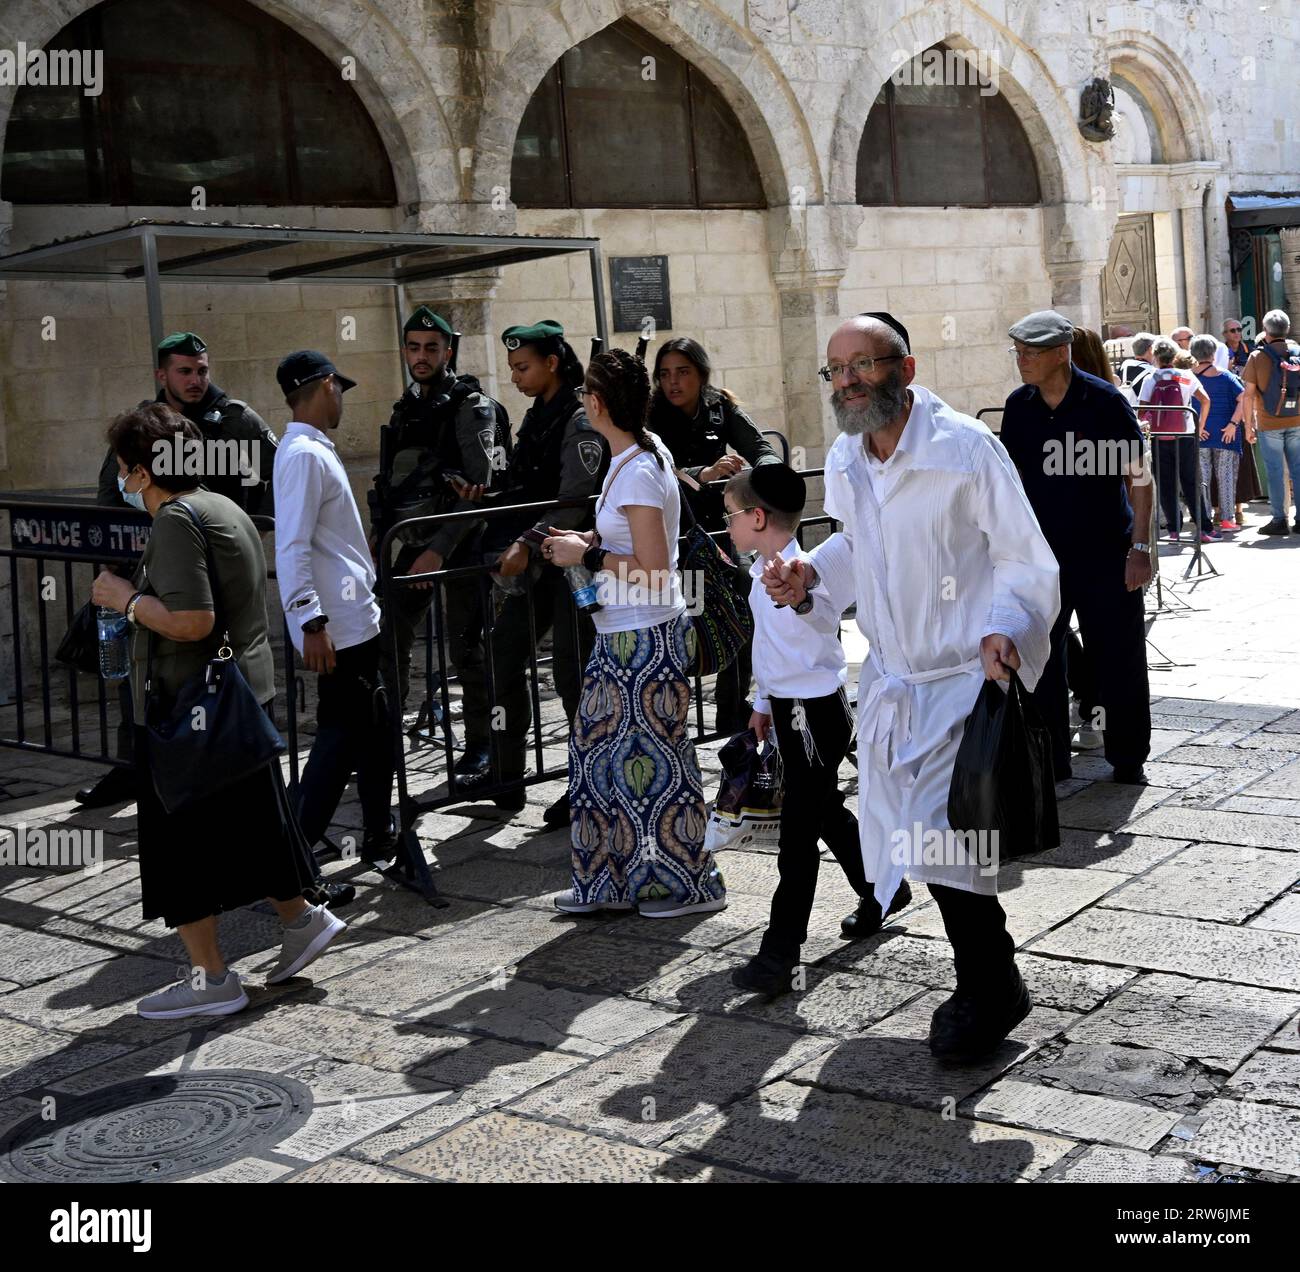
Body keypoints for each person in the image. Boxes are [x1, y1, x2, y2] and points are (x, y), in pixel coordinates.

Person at [763, 312, 1059, 1062]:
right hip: (896, 682)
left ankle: (988, 986)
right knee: (926, 845)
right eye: (837, 369)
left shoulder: (966, 450)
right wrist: (808, 577)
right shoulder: (846, 457)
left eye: (864, 363)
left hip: (963, 680)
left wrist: (1005, 626)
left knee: (948, 839)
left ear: (907, 368)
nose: (849, 380)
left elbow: (1023, 559)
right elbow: (858, 550)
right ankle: (991, 979)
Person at [90, 404, 345, 1020]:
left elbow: (193, 621)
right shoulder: (220, 504)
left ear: (142, 473)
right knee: (250, 823)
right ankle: (302, 919)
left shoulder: (177, 520)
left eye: (125, 469)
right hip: (235, 699)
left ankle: (212, 979)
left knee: (178, 843)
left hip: (188, 707)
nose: (121, 481)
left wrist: (125, 601)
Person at [544, 348, 726, 919]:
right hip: (626, 634)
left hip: (645, 636)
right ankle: (608, 883)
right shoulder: (641, 454)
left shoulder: (641, 468)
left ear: (595, 403)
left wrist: (587, 553)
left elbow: (653, 568)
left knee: (657, 766)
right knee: (598, 759)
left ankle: (690, 886)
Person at [77, 330, 279, 810]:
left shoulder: (235, 420)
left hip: (209, 565)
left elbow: (278, 477)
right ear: (162, 374)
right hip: (152, 565)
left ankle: (218, 767)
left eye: (202, 370)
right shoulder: (143, 427)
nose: (195, 379)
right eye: (184, 371)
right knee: (144, 671)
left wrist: (252, 533)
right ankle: (138, 766)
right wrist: (118, 558)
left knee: (210, 670)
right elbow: (112, 491)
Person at [719, 463, 894, 995]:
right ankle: (882, 890)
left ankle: (779, 955)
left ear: (755, 516)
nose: (725, 525)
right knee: (820, 814)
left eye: (730, 515)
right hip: (796, 709)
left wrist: (796, 598)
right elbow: (773, 652)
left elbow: (818, 621)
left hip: (814, 716)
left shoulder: (798, 571)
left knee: (797, 837)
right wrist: (762, 701)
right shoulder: (763, 570)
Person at [1000, 310, 1154, 787]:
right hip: (1043, 558)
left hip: (1107, 552)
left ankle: (1127, 756)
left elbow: (1139, 477)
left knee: (1117, 654)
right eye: (1018, 352)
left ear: (1060, 353)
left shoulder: (1105, 402)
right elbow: (1010, 483)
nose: (1021, 360)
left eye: (1030, 352)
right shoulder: (1019, 406)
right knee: (1041, 659)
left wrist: (1141, 547)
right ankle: (1050, 761)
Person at [371, 307, 507, 784]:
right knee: (389, 634)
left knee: (467, 647)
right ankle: (385, 735)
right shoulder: (406, 408)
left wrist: (441, 549)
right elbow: (389, 483)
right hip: (414, 540)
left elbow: (482, 489)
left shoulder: (473, 408)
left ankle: (484, 747)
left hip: (464, 543)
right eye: (414, 347)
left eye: (432, 347)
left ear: (449, 350)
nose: (422, 356)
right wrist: (378, 539)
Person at [482, 320, 609, 822]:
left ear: (551, 364)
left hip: (570, 566)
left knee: (573, 676)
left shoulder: (578, 418)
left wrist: (524, 540)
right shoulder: (537, 417)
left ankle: (589, 783)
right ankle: (508, 777)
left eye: (522, 366)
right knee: (504, 654)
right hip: (534, 564)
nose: (514, 376)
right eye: (513, 367)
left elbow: (574, 502)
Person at [274, 351, 398, 866]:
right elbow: (292, 544)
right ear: (326, 385)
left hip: (353, 617)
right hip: (336, 623)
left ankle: (377, 831)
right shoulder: (304, 454)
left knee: (374, 722)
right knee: (339, 736)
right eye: (339, 388)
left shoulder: (309, 449)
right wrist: (311, 620)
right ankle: (295, 864)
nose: (341, 397)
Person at [648, 337, 779, 734]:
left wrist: (769, 473)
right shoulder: (649, 414)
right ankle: (668, 718)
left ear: (701, 375)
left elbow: (760, 447)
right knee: (680, 623)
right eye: (665, 374)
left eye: (683, 372)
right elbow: (653, 466)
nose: (673, 382)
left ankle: (731, 705)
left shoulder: (720, 408)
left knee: (744, 599)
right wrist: (702, 473)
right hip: (673, 539)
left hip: (720, 533)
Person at [1138, 338, 1214, 542]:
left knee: (1165, 484)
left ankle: (1174, 529)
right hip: (1186, 435)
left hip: (1158, 437)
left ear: (1155, 356)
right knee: (1191, 481)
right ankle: (1204, 527)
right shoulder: (1187, 376)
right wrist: (1200, 427)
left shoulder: (1150, 378)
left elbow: (1142, 410)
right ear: (1175, 355)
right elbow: (1205, 400)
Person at [1242, 308, 1300, 536]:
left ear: (1266, 331)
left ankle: (1279, 520)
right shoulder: (1297, 352)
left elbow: (1248, 394)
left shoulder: (1257, 356)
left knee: (1276, 472)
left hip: (1268, 422)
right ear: (1287, 329)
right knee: (1298, 469)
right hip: (1297, 420)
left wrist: (1249, 425)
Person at [1190, 334, 1246, 533]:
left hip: (1199, 435)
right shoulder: (1226, 375)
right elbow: (1243, 398)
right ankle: (1227, 519)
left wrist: (1198, 428)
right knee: (1226, 476)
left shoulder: (1187, 377)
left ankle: (1205, 520)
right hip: (1225, 434)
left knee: (1201, 479)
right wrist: (1233, 424)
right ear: (1213, 353)